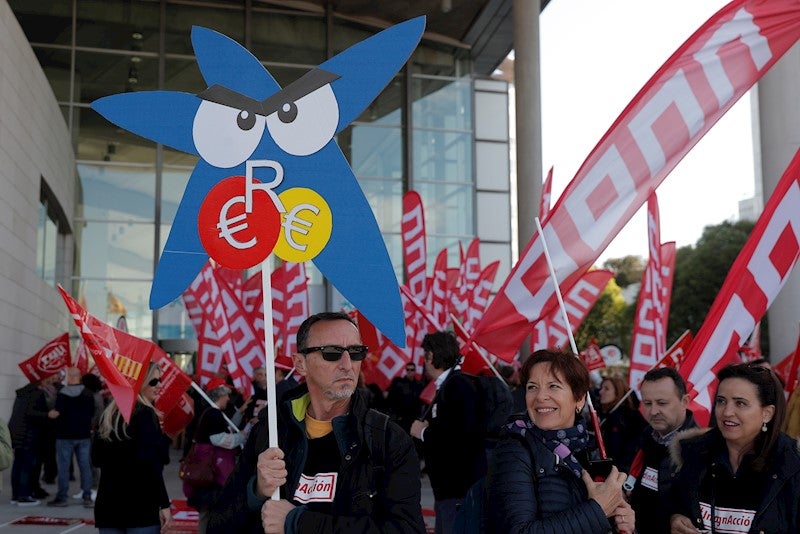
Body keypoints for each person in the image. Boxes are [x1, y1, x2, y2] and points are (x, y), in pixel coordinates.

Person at [207, 311, 425, 534]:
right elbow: (216, 525)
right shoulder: (269, 431)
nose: (347, 364)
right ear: (300, 364)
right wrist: (256, 492)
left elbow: (407, 529)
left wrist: (298, 522)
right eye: (332, 353)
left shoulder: (386, 438)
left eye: (356, 352)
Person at [486, 349, 635, 533]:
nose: (540, 397)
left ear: (579, 398)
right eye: (532, 387)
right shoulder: (514, 448)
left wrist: (620, 522)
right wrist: (598, 510)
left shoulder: (589, 448)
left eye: (553, 386)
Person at [669, 362, 800, 533]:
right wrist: (674, 518)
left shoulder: (792, 464)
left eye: (740, 403)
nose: (726, 412)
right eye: (721, 401)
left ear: (767, 413)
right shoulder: (693, 453)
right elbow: (671, 502)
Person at [410, 331, 486, 534]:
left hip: (458, 490)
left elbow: (459, 436)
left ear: (431, 356)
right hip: (450, 491)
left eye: (425, 355)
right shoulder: (452, 385)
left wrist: (424, 432)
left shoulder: (457, 386)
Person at [92, 362, 172, 533]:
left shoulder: (108, 415)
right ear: (139, 384)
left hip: (109, 504)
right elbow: (153, 465)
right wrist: (164, 503)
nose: (159, 385)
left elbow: (96, 459)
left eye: (160, 380)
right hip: (140, 506)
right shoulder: (145, 414)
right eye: (153, 381)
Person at [628, 367, 698, 534]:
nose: (653, 411)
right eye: (647, 403)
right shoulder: (642, 439)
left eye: (662, 403)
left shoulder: (700, 451)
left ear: (685, 402)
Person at [185, 377, 248, 533]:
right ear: (220, 395)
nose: (228, 398)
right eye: (226, 395)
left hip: (209, 467)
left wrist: (239, 414)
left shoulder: (210, 411)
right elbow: (219, 438)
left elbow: (225, 428)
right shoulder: (214, 414)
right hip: (213, 470)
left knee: (208, 509)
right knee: (210, 509)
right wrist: (243, 436)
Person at [47, 367, 97, 508]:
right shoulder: (88, 394)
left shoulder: (62, 394)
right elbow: (93, 413)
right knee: (85, 466)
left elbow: (57, 412)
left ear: (71, 377)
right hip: (83, 435)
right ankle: (87, 496)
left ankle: (62, 497)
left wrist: (51, 414)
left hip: (64, 435)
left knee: (63, 467)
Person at [9, 377, 49, 505]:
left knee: (18, 464)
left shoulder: (22, 393)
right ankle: (24, 495)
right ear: (40, 381)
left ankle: (16, 495)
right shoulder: (37, 394)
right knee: (27, 465)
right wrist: (47, 415)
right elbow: (32, 413)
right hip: (29, 434)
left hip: (17, 433)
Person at [597, 376, 646, 472]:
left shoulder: (629, 418)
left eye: (606, 389)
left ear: (618, 392)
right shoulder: (605, 415)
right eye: (601, 388)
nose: (600, 392)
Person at [386, 361, 424, 433]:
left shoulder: (419, 385)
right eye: (408, 369)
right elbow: (392, 399)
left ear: (415, 371)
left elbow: (420, 402)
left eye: (412, 370)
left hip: (413, 417)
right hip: (401, 417)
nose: (409, 371)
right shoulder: (399, 383)